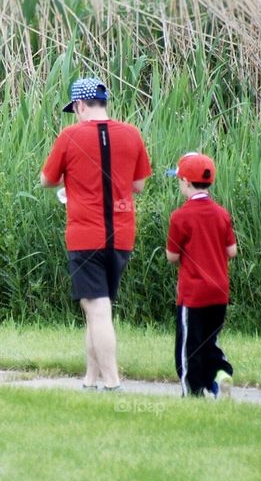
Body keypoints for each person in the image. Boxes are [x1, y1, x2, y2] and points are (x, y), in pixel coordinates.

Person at [40, 77, 151, 389]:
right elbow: (139, 185)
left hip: (86, 235)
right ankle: (90, 379)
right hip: (122, 234)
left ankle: (112, 383)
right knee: (96, 307)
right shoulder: (131, 134)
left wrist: (72, 181)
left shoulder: (70, 136)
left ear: (79, 105)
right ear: (104, 102)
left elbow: (47, 180)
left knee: (98, 309)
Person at [164, 152, 238, 398]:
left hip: (193, 294)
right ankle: (220, 375)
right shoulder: (222, 214)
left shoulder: (180, 216)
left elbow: (172, 256)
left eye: (179, 180)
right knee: (209, 341)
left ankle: (192, 392)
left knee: (189, 348)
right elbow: (232, 251)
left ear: (186, 182)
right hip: (219, 292)